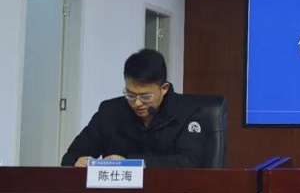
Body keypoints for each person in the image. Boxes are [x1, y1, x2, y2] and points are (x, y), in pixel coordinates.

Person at [61, 49, 207, 168]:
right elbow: (71, 156)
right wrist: (77, 161)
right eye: (130, 94)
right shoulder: (110, 112)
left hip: (168, 191)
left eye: (145, 96)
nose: (137, 103)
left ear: (164, 88)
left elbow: (190, 162)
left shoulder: (187, 112)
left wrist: (131, 163)